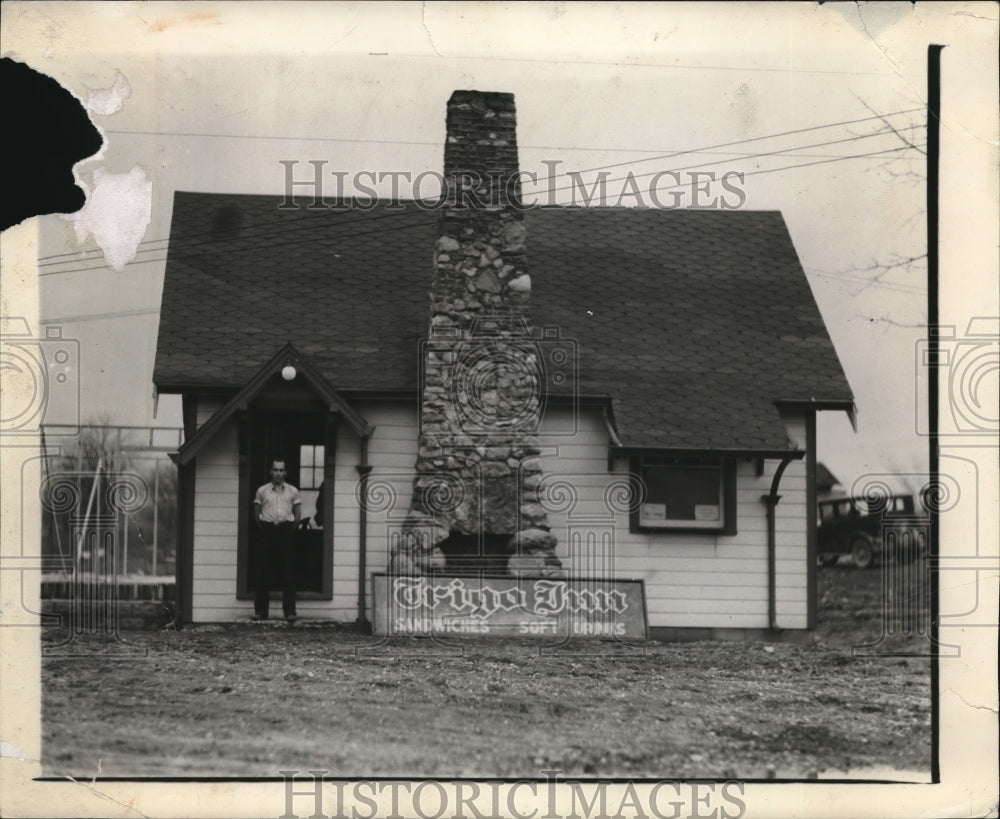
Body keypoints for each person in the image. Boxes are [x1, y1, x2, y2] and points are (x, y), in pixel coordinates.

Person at [252, 459, 301, 623]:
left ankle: (290, 611)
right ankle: (260, 611)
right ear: (271, 472)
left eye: (281, 470)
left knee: (289, 570)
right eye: (275, 470)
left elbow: (297, 515)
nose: (278, 473)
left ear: (285, 472)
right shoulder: (262, 491)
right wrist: (267, 527)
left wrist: (287, 528)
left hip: (286, 530)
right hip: (267, 530)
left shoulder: (293, 491)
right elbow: (257, 514)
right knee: (262, 570)